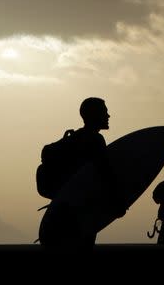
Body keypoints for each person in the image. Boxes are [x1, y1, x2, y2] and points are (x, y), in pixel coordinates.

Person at [38, 97, 125, 249]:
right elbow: (105, 174)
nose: (108, 116)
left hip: (66, 210)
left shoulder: (75, 137)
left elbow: (47, 152)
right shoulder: (95, 140)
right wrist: (117, 203)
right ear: (95, 115)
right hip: (81, 210)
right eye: (104, 112)